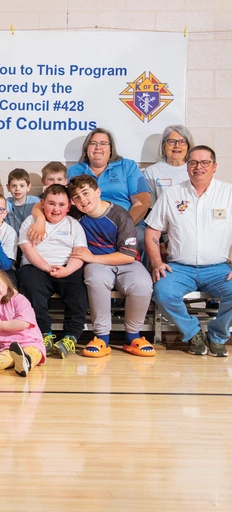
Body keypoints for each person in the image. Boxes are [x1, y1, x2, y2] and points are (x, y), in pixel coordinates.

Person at [145, 146, 232, 357]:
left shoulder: (228, 193)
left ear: (214, 166)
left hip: (218, 269)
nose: (198, 167)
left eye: (205, 163)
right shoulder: (172, 194)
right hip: (179, 268)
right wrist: (157, 262)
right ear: (187, 167)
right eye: (193, 162)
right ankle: (193, 333)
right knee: (163, 293)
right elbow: (152, 231)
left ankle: (217, 336)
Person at [68, 175, 154, 357]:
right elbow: (42, 205)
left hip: (123, 260)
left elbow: (128, 255)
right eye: (76, 197)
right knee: (95, 279)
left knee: (142, 284)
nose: (82, 200)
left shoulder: (120, 215)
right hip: (96, 264)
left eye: (86, 193)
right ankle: (101, 338)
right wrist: (39, 219)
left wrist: (93, 257)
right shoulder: (75, 213)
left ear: (98, 192)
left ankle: (133, 337)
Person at [17, 184, 88, 358]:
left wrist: (66, 270)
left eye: (61, 205)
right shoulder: (30, 222)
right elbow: (27, 249)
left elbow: (80, 253)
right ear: (42, 203)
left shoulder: (73, 225)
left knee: (78, 289)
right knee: (29, 283)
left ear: (68, 207)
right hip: (37, 267)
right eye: (51, 203)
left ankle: (71, 336)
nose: (56, 209)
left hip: (66, 267)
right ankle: (44, 334)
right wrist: (46, 267)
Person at [67, 128, 152, 250]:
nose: (98, 147)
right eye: (93, 143)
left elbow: (143, 201)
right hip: (88, 226)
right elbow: (62, 200)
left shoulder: (127, 166)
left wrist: (124, 227)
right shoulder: (74, 170)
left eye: (103, 143)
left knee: (139, 237)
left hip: (127, 222)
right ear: (86, 148)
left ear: (111, 149)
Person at [143, 125, 194, 205]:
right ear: (164, 145)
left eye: (182, 142)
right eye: (172, 141)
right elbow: (150, 206)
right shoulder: (151, 172)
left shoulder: (196, 170)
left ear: (188, 145)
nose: (177, 146)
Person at [5, 168, 40, 234]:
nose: (17, 189)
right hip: (12, 237)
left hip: (29, 236)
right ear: (8, 187)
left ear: (28, 187)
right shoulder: (6, 203)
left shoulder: (35, 201)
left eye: (22, 186)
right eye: (14, 186)